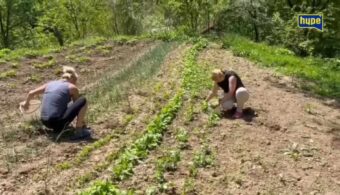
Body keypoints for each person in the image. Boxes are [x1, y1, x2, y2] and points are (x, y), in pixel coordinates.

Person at [21, 66, 91, 139]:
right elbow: (78, 107)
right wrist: (83, 124)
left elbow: (31, 93)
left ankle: (58, 129)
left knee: (65, 104)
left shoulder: (50, 84)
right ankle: (79, 131)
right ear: (73, 79)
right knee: (83, 100)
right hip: (57, 122)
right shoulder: (72, 88)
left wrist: (26, 104)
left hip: (45, 121)